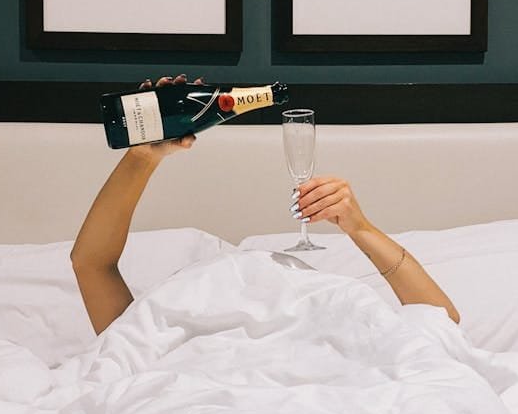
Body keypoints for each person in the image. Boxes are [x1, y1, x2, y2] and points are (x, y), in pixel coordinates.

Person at [71, 75, 461, 335]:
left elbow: (443, 323)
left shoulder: (330, 320)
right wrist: (141, 157)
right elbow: (90, 264)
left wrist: (359, 226)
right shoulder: (158, 336)